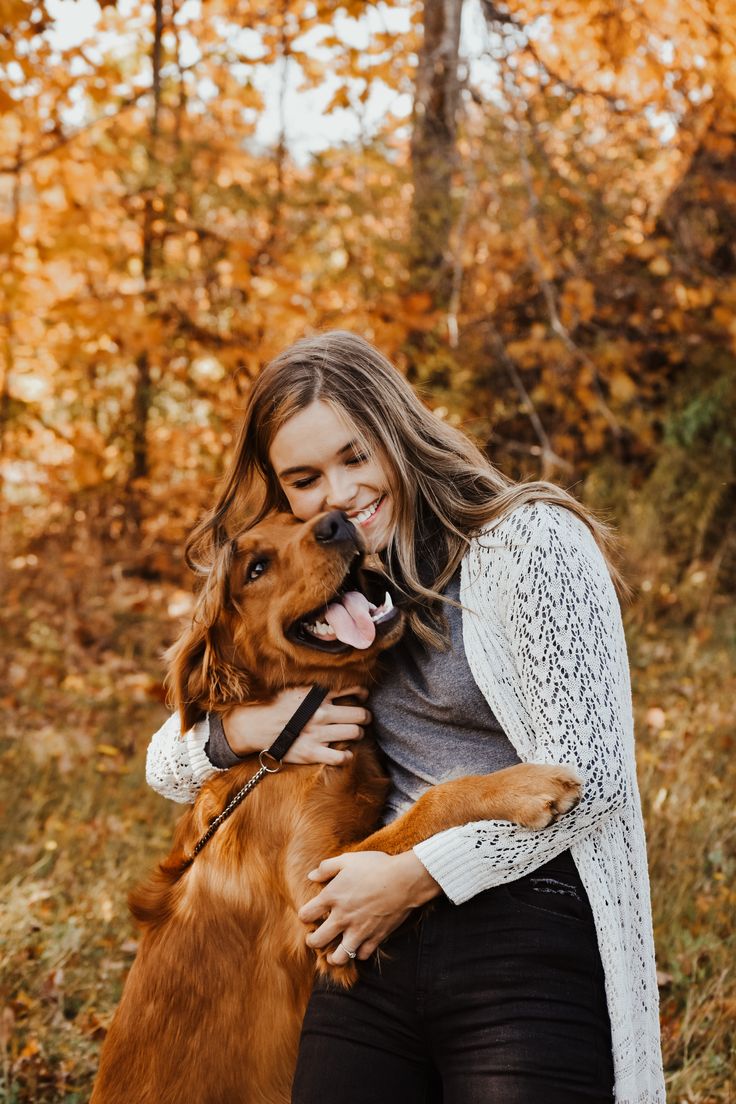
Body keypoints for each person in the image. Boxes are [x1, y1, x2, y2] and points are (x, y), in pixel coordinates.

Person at [146, 330, 665, 1103]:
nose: (340, 496)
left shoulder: (529, 543)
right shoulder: (325, 582)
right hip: (372, 931)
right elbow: (167, 757)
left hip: (525, 904)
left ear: (398, 431)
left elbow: (593, 782)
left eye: (357, 457)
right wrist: (247, 731)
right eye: (306, 478)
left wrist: (417, 873)